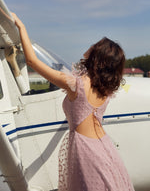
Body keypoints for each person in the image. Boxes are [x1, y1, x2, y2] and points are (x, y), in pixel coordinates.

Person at [12, 13, 135, 191]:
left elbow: (32, 61)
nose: (91, 46)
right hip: (105, 148)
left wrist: (21, 27)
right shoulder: (106, 88)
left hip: (86, 151)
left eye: (95, 45)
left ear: (98, 55)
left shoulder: (76, 84)